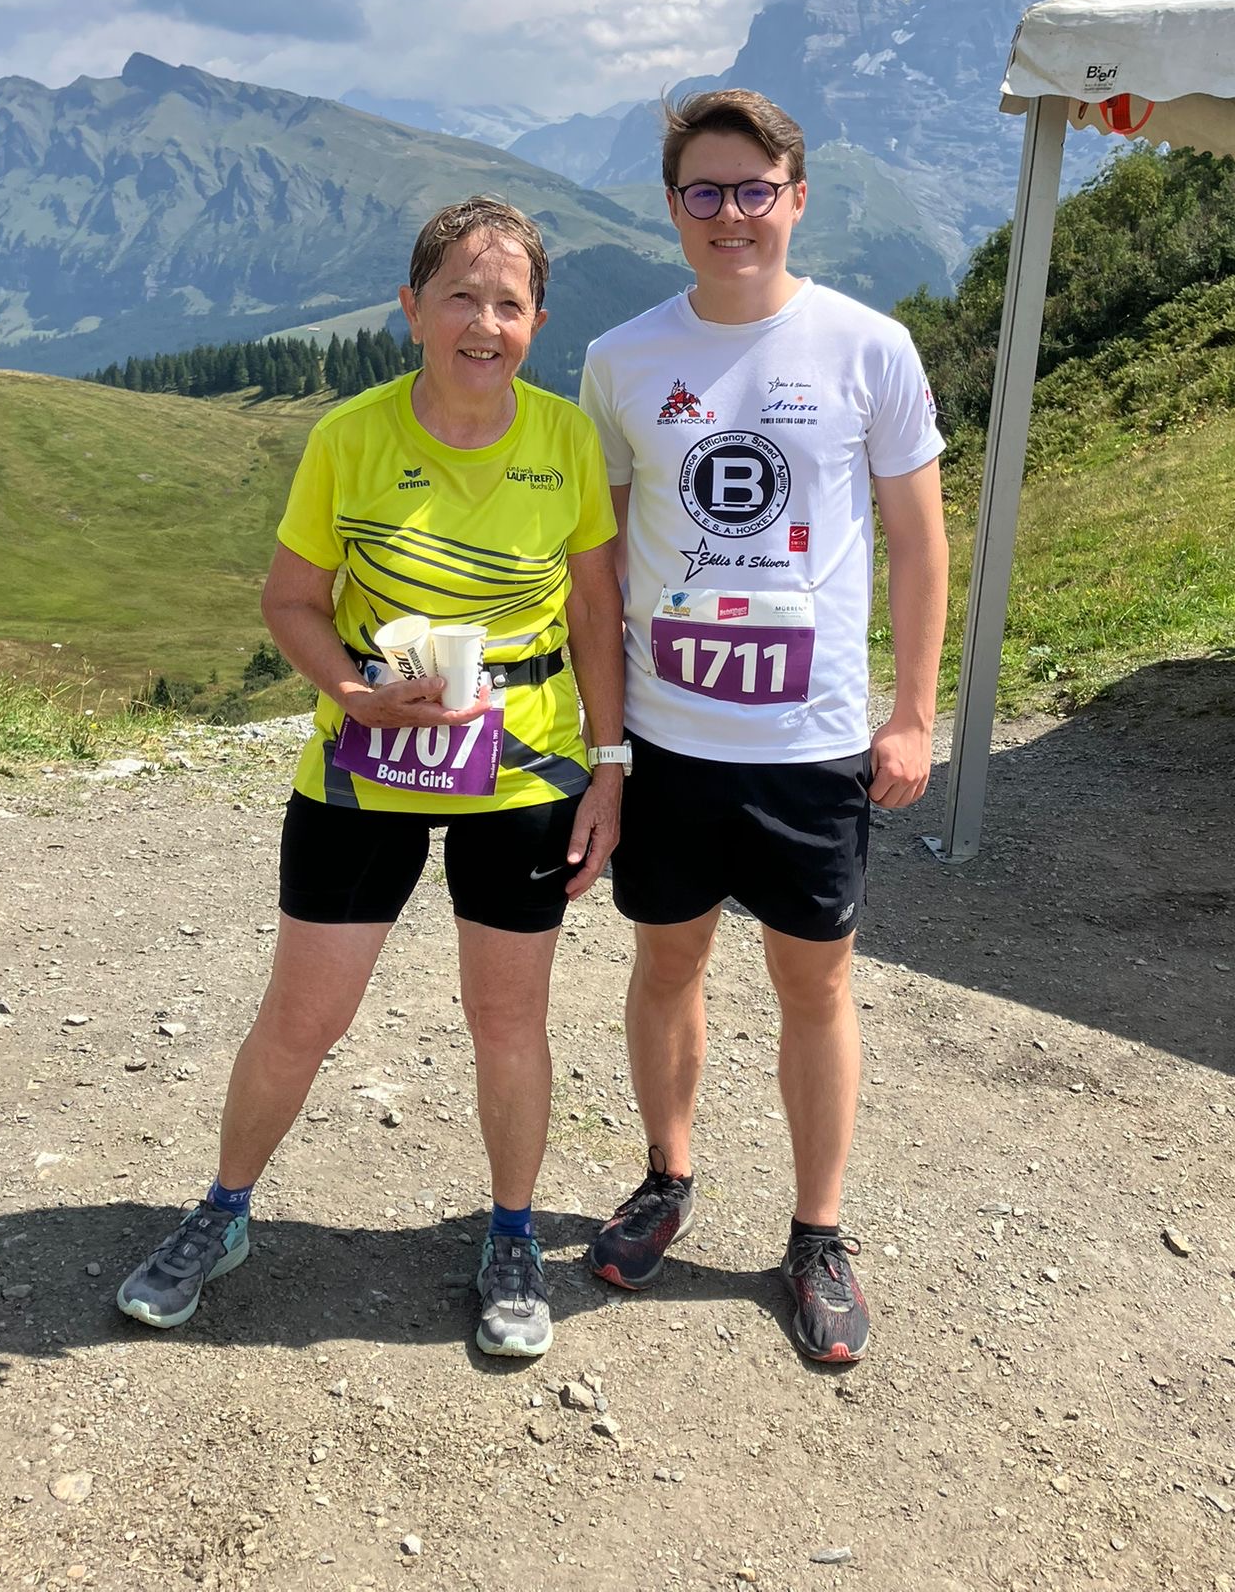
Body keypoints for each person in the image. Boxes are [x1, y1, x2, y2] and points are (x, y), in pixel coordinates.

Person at [117, 197, 628, 1359]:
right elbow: (289, 599)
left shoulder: (563, 440)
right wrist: (350, 690)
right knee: (304, 1014)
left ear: (538, 321)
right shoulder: (348, 436)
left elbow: (597, 608)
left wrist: (610, 766)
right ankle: (224, 1209)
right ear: (411, 309)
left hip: (524, 770)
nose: (483, 323)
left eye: (508, 302)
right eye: (459, 294)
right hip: (365, 767)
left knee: (510, 1021)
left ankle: (508, 1234)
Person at [579, 89, 948, 1365]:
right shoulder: (622, 357)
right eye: (703, 192)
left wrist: (911, 714)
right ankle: (667, 1176)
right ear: (673, 206)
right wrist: (608, 743)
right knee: (665, 965)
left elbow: (917, 540)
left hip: (812, 744)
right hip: (674, 740)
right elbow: (600, 565)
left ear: (795, 197)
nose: (729, 214)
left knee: (816, 982)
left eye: (753, 190)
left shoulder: (870, 346)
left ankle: (817, 1233)